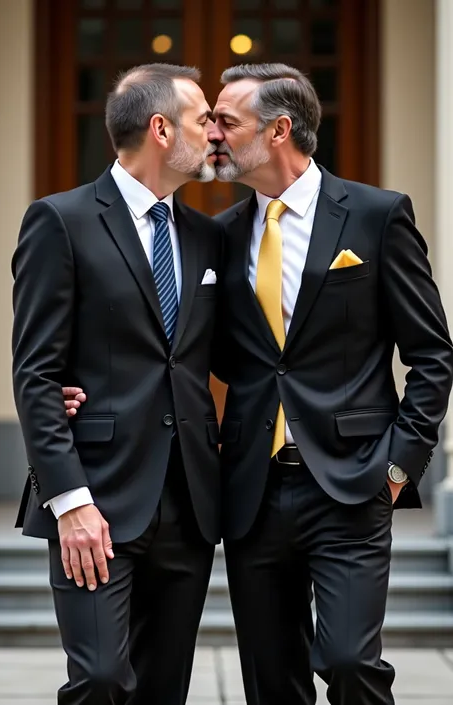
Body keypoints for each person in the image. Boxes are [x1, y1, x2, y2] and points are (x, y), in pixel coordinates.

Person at [206, 63, 453, 705]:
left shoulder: (377, 216)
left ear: (280, 129)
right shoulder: (221, 236)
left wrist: (400, 464)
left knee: (348, 661)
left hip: (352, 480)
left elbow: (431, 353)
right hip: (253, 491)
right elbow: (197, 354)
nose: (212, 136)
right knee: (271, 680)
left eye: (226, 122)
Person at [12, 63, 222, 705]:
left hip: (188, 503)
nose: (215, 132)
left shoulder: (208, 237)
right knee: (101, 681)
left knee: (164, 689)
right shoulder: (60, 221)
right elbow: (36, 372)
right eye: (203, 118)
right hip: (94, 501)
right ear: (161, 128)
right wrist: (68, 500)